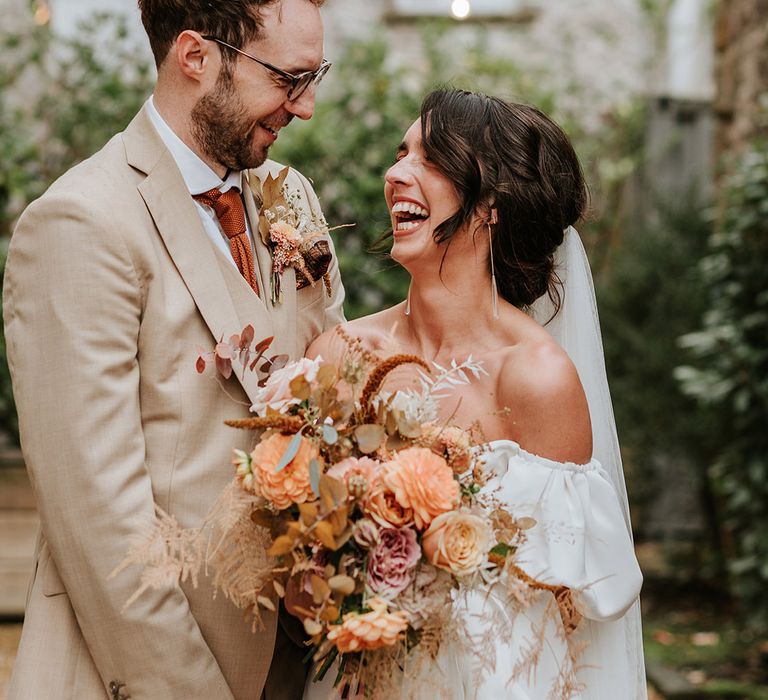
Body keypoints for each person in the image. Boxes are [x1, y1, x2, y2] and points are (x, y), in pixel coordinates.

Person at [3, 1, 343, 698]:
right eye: (289, 78)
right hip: (136, 676)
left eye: (317, 77)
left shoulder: (289, 197)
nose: (304, 108)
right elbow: (99, 523)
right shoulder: (81, 224)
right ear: (195, 56)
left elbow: (332, 394)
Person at [304, 89, 645, 699]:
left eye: (429, 159)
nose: (395, 174)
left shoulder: (536, 379)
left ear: (490, 204)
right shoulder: (340, 356)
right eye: (400, 153)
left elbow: (564, 619)